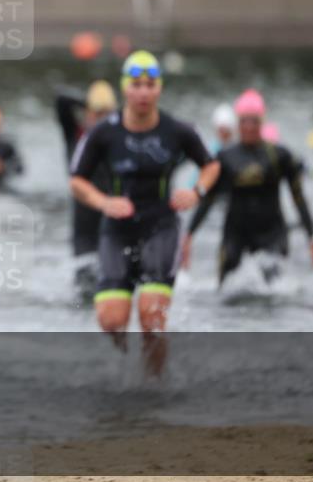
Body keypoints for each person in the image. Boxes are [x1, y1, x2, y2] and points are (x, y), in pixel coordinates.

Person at [69, 51, 220, 346]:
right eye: (136, 84)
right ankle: (125, 375)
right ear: (125, 87)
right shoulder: (103, 132)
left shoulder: (177, 130)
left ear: (159, 88)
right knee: (111, 321)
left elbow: (211, 165)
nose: (143, 92)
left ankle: (153, 384)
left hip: (161, 227)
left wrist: (196, 192)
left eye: (150, 85)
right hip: (117, 229)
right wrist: (103, 203)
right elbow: (76, 181)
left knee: (151, 319)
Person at [181, 89, 313, 286]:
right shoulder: (225, 157)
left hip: (272, 232)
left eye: (254, 121)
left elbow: (298, 198)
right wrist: (188, 236)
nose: (249, 127)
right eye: (244, 121)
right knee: (224, 289)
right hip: (235, 233)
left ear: (262, 122)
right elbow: (209, 199)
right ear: (237, 124)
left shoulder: (279, 156)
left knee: (275, 286)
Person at [55, 80, 117, 300]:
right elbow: (61, 98)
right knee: (84, 288)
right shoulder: (76, 134)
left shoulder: (117, 138)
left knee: (112, 286)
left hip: (111, 217)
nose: (100, 119)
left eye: (105, 114)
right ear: (88, 112)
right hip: (83, 221)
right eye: (96, 113)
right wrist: (90, 103)